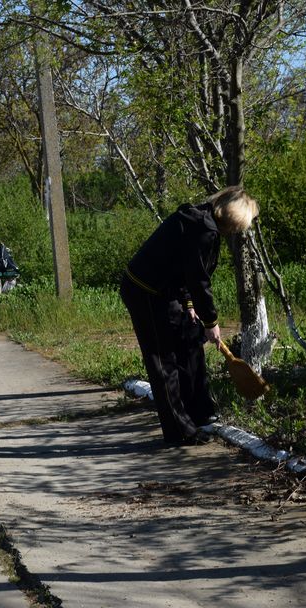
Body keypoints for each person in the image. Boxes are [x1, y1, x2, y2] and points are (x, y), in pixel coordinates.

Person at [120, 185, 259, 446]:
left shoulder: (203, 220)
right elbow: (198, 280)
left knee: (190, 340)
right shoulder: (202, 229)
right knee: (165, 360)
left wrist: (190, 305)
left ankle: (200, 411)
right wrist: (212, 322)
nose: (237, 232)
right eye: (239, 226)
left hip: (166, 289)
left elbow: (183, 269)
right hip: (145, 291)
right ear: (231, 218)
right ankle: (180, 431)